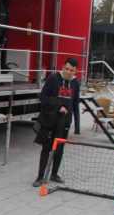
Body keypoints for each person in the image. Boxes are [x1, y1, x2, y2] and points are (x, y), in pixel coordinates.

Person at [33, 58, 80, 187]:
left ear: (75, 71)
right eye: (67, 69)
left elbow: (75, 103)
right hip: (50, 120)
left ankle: (54, 174)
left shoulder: (75, 83)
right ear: (63, 67)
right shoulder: (53, 78)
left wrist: (77, 126)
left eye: (72, 70)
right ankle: (40, 177)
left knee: (59, 149)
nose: (68, 72)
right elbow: (43, 97)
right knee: (46, 149)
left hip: (64, 123)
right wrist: (58, 106)